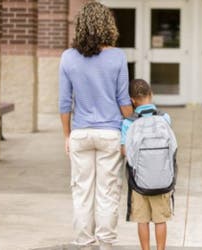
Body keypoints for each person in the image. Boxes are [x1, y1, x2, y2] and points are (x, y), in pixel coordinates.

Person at [58, 2, 133, 250]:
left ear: (80, 25)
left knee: (82, 192)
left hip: (80, 133)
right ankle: (106, 244)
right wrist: (136, 121)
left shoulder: (68, 58)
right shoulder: (117, 57)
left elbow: (64, 103)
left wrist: (67, 135)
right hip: (110, 133)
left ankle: (84, 242)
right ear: (107, 25)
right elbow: (124, 102)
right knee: (108, 192)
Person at [121, 79, 172, 250]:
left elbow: (124, 151)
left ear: (132, 100)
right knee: (160, 219)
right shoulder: (164, 118)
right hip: (162, 179)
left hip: (139, 182)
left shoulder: (128, 122)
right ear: (151, 95)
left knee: (142, 220)